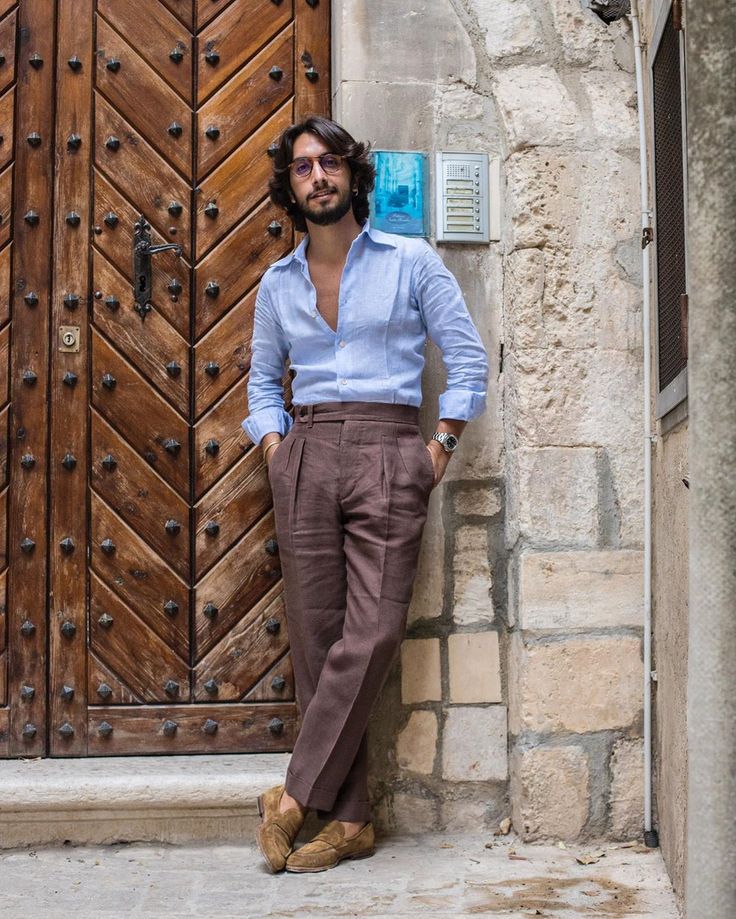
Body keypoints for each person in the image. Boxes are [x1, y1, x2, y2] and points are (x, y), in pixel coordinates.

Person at [241, 115, 489, 873]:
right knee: (318, 641)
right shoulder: (277, 283)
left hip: (389, 445)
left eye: (330, 164)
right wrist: (279, 447)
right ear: (291, 186)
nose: (317, 176)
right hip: (307, 449)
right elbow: (260, 382)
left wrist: (437, 447)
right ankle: (350, 820)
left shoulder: (411, 260)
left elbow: (468, 358)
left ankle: (291, 794)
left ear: (354, 174)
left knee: (373, 629)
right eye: (303, 167)